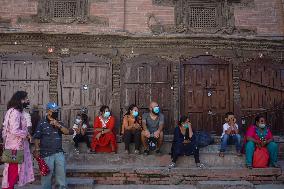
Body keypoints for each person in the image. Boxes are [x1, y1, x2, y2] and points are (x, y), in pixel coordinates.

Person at [33, 102, 74, 189]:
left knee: (61, 178)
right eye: (54, 110)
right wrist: (37, 149)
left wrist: (58, 125)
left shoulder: (59, 122)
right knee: (46, 179)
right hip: (46, 154)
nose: (56, 112)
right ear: (48, 111)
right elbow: (37, 137)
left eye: (57, 110)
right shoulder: (41, 122)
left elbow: (67, 132)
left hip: (59, 153)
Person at [2, 91, 34, 189]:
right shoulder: (15, 113)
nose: (28, 100)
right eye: (26, 98)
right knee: (13, 173)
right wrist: (26, 134)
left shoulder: (11, 111)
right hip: (15, 148)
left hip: (12, 146)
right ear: (20, 100)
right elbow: (14, 130)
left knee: (12, 172)